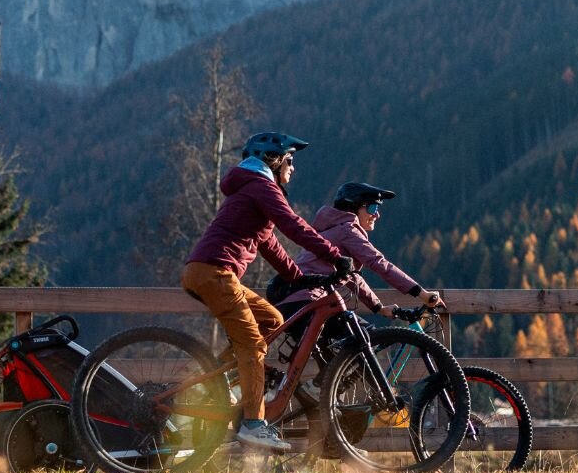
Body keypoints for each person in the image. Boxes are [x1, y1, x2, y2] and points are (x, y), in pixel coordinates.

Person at [182, 131, 351, 450]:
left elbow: (271, 245)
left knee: (273, 322)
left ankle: (219, 384)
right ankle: (253, 423)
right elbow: (292, 225)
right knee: (252, 347)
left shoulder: (252, 191)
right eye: (290, 160)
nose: (293, 167)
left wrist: (299, 277)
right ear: (272, 161)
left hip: (209, 273)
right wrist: (333, 255)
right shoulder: (262, 186)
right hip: (215, 273)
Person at [277, 182, 444, 318]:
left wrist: (379, 308)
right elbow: (378, 263)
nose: (377, 215)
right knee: (361, 341)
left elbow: (351, 276)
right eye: (372, 208)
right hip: (307, 301)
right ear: (353, 207)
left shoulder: (334, 230)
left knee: (352, 347)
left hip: (295, 301)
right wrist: (422, 294)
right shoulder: (347, 230)